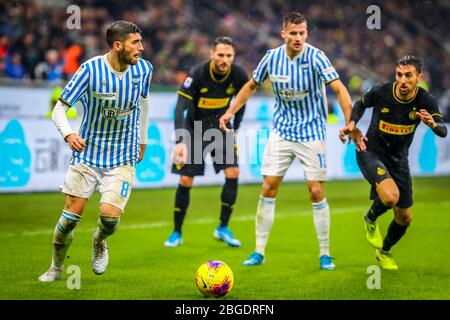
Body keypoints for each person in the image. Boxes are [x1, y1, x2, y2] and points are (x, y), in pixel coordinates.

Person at [219, 12, 353, 270]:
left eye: (302, 33)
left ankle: (325, 253)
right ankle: (258, 251)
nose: (298, 38)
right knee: (268, 188)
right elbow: (250, 86)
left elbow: (340, 89)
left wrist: (349, 122)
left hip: (312, 133)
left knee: (315, 190)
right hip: (281, 132)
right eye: (293, 33)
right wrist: (230, 111)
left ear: (307, 34)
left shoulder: (316, 57)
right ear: (284, 34)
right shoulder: (272, 58)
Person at [38, 21, 153, 281]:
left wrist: (142, 140)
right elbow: (59, 108)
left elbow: (144, 105)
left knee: (110, 218)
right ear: (117, 45)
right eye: (135, 43)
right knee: (69, 219)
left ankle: (99, 241)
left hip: (123, 156)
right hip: (88, 156)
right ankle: (56, 268)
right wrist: (68, 134)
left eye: (141, 42)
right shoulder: (89, 70)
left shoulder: (144, 70)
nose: (141, 48)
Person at [340, 55, 447, 270]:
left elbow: (443, 130)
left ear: (419, 77)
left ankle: (384, 251)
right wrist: (352, 124)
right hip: (370, 151)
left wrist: (432, 123)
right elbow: (360, 104)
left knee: (405, 218)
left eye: (408, 76)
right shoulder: (382, 91)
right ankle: (370, 219)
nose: (403, 80)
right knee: (390, 197)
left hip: (399, 160)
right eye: (399, 75)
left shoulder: (426, 100)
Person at [164, 36, 248, 248]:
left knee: (233, 172)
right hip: (194, 130)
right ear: (211, 54)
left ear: (233, 57)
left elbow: (241, 102)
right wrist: (181, 140)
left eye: (229, 56)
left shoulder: (238, 75)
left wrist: (234, 128)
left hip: (220, 130)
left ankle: (223, 228)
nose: (224, 59)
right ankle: (177, 232)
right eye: (220, 55)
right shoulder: (198, 73)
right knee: (185, 181)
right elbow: (180, 107)